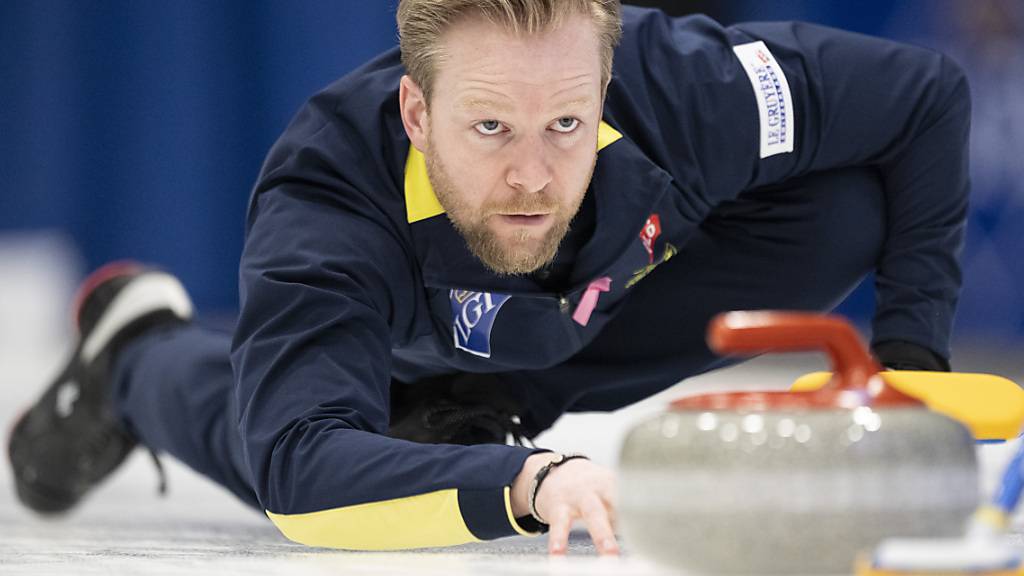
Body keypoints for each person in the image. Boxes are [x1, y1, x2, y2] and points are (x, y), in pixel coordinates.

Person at [8, 0, 969, 557]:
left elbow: (925, 98)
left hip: (546, 338)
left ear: (604, 89)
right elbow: (301, 468)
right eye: (488, 128)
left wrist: (908, 360)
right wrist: (528, 480)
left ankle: (489, 396)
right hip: (389, 340)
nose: (530, 176)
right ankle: (134, 355)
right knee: (295, 447)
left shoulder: (687, 88)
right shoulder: (327, 203)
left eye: (564, 124)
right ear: (417, 112)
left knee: (851, 206)